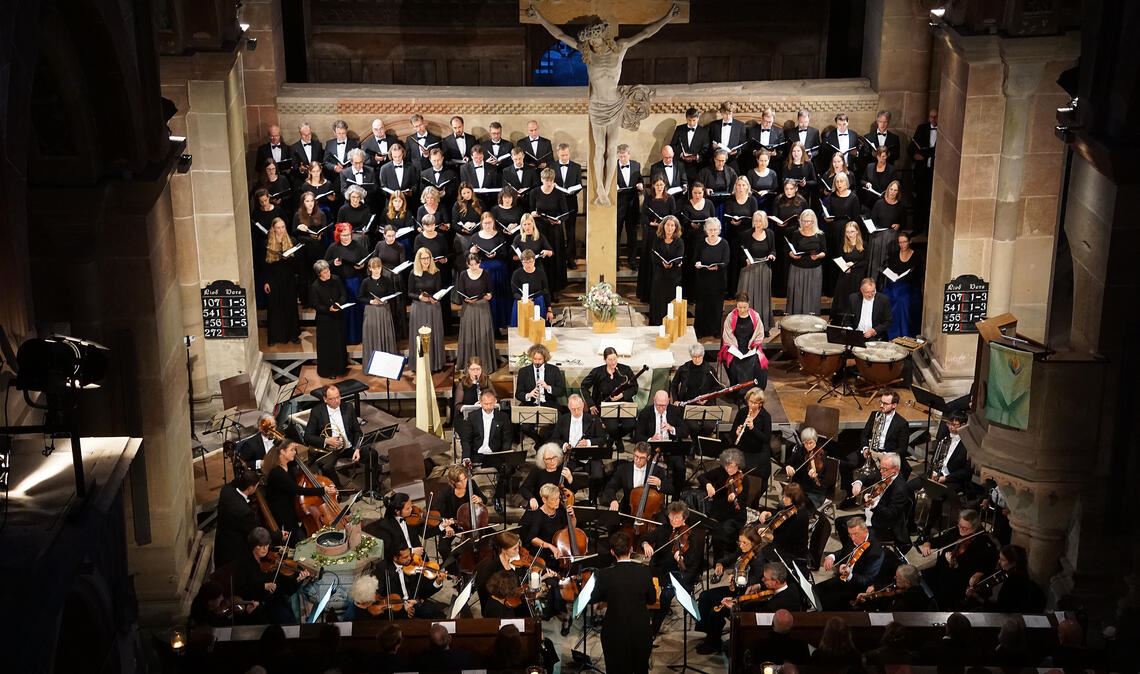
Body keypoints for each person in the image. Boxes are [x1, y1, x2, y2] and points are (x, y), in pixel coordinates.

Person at [590, 531, 657, 674]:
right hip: (641, 631)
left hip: (614, 632)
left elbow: (594, 597)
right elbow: (652, 599)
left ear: (612, 552)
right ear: (631, 549)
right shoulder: (644, 571)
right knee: (640, 669)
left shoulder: (603, 574)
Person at [694, 529, 767, 655]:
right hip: (735, 588)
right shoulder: (744, 550)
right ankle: (709, 633)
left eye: (745, 543)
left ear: (754, 543)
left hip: (745, 596)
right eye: (740, 542)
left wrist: (736, 578)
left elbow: (751, 584)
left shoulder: (758, 560)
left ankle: (714, 643)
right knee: (704, 596)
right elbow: (730, 558)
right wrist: (720, 563)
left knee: (716, 611)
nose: (741, 545)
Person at [642, 500, 706, 635]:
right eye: (671, 517)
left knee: (666, 595)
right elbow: (646, 536)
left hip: (680, 572)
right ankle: (645, 615)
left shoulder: (694, 535)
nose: (673, 520)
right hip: (660, 569)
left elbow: (694, 563)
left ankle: (652, 630)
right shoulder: (664, 529)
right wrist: (646, 544)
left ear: (685, 518)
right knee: (640, 582)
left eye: (677, 517)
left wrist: (681, 559)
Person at [920, 509, 998, 610]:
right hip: (940, 573)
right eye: (959, 525)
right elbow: (936, 541)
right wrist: (927, 545)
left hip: (958, 582)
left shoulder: (982, 543)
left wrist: (956, 565)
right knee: (920, 578)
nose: (960, 529)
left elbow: (985, 566)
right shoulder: (955, 532)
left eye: (965, 528)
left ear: (974, 528)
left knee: (940, 595)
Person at [233, 527, 313, 624]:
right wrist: (263, 586)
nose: (265, 549)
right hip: (257, 604)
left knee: (290, 621)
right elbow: (241, 590)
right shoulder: (244, 564)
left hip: (276, 600)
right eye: (261, 546)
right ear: (253, 546)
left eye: (267, 545)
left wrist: (297, 580)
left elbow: (286, 589)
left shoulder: (272, 554)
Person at [262, 441, 335, 542]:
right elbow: (297, 490)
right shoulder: (277, 473)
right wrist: (323, 490)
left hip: (291, 506)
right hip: (283, 511)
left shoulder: (289, 465)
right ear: (282, 452)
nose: (295, 452)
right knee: (295, 538)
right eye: (291, 450)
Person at [841, 452, 912, 551]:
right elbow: (867, 475)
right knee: (841, 523)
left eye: (884, 469)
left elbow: (890, 514)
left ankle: (863, 556)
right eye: (881, 468)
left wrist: (873, 504)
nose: (881, 472)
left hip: (884, 526)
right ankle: (849, 552)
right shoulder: (885, 474)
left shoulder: (900, 489)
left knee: (856, 531)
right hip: (871, 517)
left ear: (895, 469)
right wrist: (858, 483)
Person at [303, 384, 369, 488]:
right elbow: (307, 437)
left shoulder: (348, 407)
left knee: (372, 454)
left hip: (348, 447)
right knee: (326, 467)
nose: (337, 401)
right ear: (325, 399)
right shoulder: (317, 411)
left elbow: (357, 431)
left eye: (338, 397)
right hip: (331, 450)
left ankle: (371, 488)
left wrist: (357, 448)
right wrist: (326, 441)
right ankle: (338, 491)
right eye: (332, 399)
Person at [816, 517, 884, 610]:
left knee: (827, 602)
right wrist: (832, 557)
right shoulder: (854, 538)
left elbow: (867, 579)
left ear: (865, 530)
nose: (852, 538)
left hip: (857, 586)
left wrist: (850, 575)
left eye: (855, 534)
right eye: (850, 534)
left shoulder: (875, 552)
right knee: (817, 589)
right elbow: (844, 551)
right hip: (843, 578)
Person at [544, 398, 605, 501]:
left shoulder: (593, 419)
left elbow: (602, 439)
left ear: (583, 406)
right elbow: (554, 438)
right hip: (570, 456)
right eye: (573, 409)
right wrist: (564, 445)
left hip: (589, 454)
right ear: (569, 407)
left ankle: (592, 499)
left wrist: (588, 442)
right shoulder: (563, 419)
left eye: (578, 408)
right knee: (563, 473)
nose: (576, 411)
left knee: (598, 475)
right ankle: (569, 498)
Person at [581, 346, 639, 453]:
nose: (613, 362)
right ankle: (618, 440)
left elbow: (635, 387)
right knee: (611, 427)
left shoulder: (625, 370)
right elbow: (583, 386)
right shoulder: (597, 372)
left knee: (631, 424)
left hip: (624, 403)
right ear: (605, 360)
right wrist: (591, 404)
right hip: (605, 405)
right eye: (610, 360)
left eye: (615, 359)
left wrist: (622, 395)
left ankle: (614, 438)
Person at [965, 543, 1045, 613]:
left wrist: (977, 597)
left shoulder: (1014, 581)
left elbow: (1001, 608)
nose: (999, 562)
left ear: (1013, 563)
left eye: (1002, 559)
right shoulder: (1008, 571)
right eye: (999, 558)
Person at [699, 448, 750, 557]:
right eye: (727, 465)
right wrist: (708, 484)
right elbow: (702, 477)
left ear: (738, 465)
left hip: (735, 516)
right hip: (717, 512)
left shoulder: (744, 480)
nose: (729, 469)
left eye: (733, 466)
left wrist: (734, 498)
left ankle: (719, 563)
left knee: (719, 535)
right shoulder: (721, 472)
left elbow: (742, 503)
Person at [325, 222, 367, 345]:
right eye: (343, 235)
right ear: (338, 235)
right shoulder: (333, 247)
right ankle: (344, 337)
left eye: (348, 234)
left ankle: (357, 337)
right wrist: (333, 263)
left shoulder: (358, 246)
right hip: (339, 283)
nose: (346, 237)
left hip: (355, 282)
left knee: (355, 309)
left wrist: (362, 266)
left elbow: (367, 260)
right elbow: (325, 264)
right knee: (343, 311)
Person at [378, 545, 447, 619]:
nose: (410, 558)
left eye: (409, 555)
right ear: (395, 558)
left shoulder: (412, 566)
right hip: (397, 609)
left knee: (439, 613)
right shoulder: (384, 570)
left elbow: (424, 592)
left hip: (414, 602)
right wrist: (403, 606)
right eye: (405, 557)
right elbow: (381, 600)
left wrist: (438, 581)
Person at [514, 344, 564, 444]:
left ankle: (546, 441)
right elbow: (518, 394)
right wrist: (529, 395)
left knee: (559, 424)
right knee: (524, 427)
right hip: (530, 405)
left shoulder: (554, 370)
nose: (537, 362)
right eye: (535, 359)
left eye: (539, 359)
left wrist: (547, 387)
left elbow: (561, 391)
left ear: (545, 358)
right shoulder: (523, 372)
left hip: (549, 403)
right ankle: (540, 442)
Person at [601, 441, 671, 513]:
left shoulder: (656, 470)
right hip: (629, 508)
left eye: (642, 458)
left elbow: (670, 489)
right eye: (636, 456)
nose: (637, 460)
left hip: (650, 509)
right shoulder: (624, 469)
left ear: (648, 457)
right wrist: (613, 500)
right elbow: (610, 487)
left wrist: (660, 484)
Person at [529, 167, 569, 292]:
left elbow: (565, 213)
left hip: (555, 229)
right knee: (542, 257)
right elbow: (530, 210)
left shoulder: (559, 193)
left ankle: (556, 287)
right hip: (540, 229)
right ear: (542, 179)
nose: (549, 183)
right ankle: (542, 286)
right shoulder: (534, 192)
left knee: (555, 257)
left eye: (551, 180)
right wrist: (533, 213)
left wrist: (559, 220)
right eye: (546, 180)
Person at [455, 253, 497, 371]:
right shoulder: (463, 274)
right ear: (467, 264)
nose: (474, 267)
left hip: (482, 307)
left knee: (483, 335)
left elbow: (490, 292)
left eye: (476, 264)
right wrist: (465, 299)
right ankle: (469, 365)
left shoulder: (485, 274)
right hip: (468, 308)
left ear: (479, 263)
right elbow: (460, 291)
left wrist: (488, 296)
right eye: (471, 264)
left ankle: (485, 365)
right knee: (469, 335)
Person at [262, 218, 300, 346]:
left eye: (282, 227)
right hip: (273, 279)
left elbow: (297, 265)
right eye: (278, 228)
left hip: (288, 279)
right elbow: (264, 265)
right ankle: (276, 337)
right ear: (273, 229)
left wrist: (289, 258)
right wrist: (266, 281)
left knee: (290, 306)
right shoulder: (267, 243)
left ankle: (292, 335)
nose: (280, 230)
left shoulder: (292, 241)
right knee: (275, 307)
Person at [407, 246, 445, 372]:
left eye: (428, 258)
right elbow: (409, 293)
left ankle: (435, 364)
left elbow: (439, 290)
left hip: (433, 308)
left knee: (433, 335)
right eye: (423, 258)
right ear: (418, 259)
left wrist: (435, 298)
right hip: (419, 308)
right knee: (419, 336)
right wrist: (419, 297)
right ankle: (419, 364)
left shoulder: (436, 272)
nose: (425, 261)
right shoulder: (413, 273)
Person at [470, 211, 511, 331]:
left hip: (499, 271)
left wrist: (496, 254)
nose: (488, 225)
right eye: (485, 223)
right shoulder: (475, 237)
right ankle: (485, 325)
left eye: (490, 223)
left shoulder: (499, 236)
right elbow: (469, 256)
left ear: (493, 222)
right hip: (483, 271)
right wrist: (472, 251)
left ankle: (498, 325)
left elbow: (505, 254)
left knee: (498, 299)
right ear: (481, 223)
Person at [719, 292, 769, 388]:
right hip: (735, 348)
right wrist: (734, 349)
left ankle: (754, 392)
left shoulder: (755, 316)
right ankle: (739, 394)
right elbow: (727, 335)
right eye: (739, 307)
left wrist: (753, 345)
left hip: (751, 348)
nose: (742, 310)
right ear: (736, 304)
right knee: (736, 365)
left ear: (748, 304)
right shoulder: (731, 317)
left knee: (758, 365)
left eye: (744, 307)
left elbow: (759, 333)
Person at [214, 471, 262, 569]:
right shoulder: (245, 512)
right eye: (256, 486)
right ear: (250, 488)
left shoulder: (226, 490)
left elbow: (233, 482)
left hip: (221, 542)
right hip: (233, 552)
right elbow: (255, 532)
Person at [726, 386, 772, 489]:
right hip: (743, 449)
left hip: (758, 452)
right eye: (750, 401)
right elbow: (731, 434)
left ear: (760, 403)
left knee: (753, 474)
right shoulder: (742, 413)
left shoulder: (765, 416)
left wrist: (753, 428)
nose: (751, 405)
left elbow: (766, 438)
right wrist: (736, 433)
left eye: (755, 403)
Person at [308, 259, 348, 378]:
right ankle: (328, 371)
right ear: (319, 274)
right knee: (327, 346)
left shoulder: (336, 279)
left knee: (339, 343)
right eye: (324, 272)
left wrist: (339, 304)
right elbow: (315, 304)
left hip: (337, 317)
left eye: (328, 270)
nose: (328, 273)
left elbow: (343, 295)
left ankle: (340, 369)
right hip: (324, 320)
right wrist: (328, 309)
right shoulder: (315, 286)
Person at [756, 482, 812, 564]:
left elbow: (786, 539)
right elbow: (781, 514)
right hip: (784, 542)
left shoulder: (799, 516)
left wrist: (770, 537)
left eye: (785, 497)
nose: (783, 499)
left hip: (791, 551)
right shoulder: (793, 507)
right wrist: (769, 514)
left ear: (794, 498)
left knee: (761, 553)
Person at [881, 230, 923, 338]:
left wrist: (907, 276)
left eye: (904, 242)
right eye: (900, 242)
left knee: (902, 300)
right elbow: (890, 268)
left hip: (910, 286)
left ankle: (903, 332)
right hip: (895, 284)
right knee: (886, 296)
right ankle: (889, 332)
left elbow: (919, 273)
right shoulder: (895, 255)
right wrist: (893, 275)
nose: (902, 245)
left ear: (909, 242)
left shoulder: (917, 255)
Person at [738, 211, 776, 331]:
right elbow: (741, 254)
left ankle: (763, 327)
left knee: (763, 298)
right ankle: (747, 326)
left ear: (764, 222)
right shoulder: (746, 234)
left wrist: (772, 255)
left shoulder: (770, 234)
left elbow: (773, 250)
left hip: (764, 269)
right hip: (750, 269)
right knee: (748, 296)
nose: (757, 223)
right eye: (756, 220)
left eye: (760, 221)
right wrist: (746, 260)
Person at [786, 208, 827, 316]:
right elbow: (791, 251)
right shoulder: (796, 233)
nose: (806, 224)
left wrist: (818, 256)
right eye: (804, 221)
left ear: (814, 221)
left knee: (812, 295)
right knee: (798, 296)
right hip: (798, 269)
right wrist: (792, 255)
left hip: (814, 270)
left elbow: (824, 252)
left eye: (809, 221)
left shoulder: (820, 234)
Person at [770, 179, 807, 297]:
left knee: (794, 261)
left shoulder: (801, 201)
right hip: (782, 234)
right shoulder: (778, 200)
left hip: (796, 235)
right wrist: (778, 223)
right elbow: (774, 216)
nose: (789, 191)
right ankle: (781, 290)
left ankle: (794, 290)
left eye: (791, 189)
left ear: (796, 189)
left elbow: (807, 216)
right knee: (782, 262)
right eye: (786, 189)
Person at [693, 217, 730, 337]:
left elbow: (726, 261)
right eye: (710, 230)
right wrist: (698, 264)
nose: (712, 232)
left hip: (718, 279)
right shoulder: (700, 242)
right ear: (706, 230)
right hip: (703, 279)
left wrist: (718, 267)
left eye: (715, 229)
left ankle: (715, 330)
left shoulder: (724, 243)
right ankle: (700, 330)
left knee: (716, 305)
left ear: (719, 230)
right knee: (702, 305)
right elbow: (695, 259)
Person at [365, 491, 429, 561]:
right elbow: (390, 550)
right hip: (402, 562)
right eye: (407, 509)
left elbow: (425, 533)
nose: (411, 509)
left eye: (411, 505)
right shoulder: (386, 526)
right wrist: (412, 551)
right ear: (397, 511)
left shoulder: (412, 519)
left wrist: (441, 527)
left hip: (419, 559)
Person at [783, 427, 835, 508]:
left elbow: (825, 478)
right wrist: (788, 467)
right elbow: (788, 462)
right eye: (806, 443)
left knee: (802, 508)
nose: (808, 446)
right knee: (783, 505)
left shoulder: (822, 454)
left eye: (811, 442)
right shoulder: (800, 450)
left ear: (815, 441)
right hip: (799, 489)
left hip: (815, 492)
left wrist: (815, 476)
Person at [358, 256, 398, 360]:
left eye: (378, 267)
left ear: (381, 268)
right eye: (374, 268)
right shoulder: (366, 281)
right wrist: (371, 301)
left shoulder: (387, 280)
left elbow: (391, 294)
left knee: (385, 336)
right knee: (373, 336)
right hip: (371, 311)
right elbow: (360, 297)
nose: (376, 270)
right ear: (370, 268)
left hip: (384, 310)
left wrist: (385, 300)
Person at [723, 176, 759, 290]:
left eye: (743, 185)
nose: (741, 188)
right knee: (733, 263)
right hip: (733, 235)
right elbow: (726, 216)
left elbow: (755, 218)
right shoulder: (730, 200)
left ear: (747, 186)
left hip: (748, 236)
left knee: (745, 262)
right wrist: (732, 221)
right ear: (735, 186)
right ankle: (732, 290)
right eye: (739, 185)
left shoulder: (752, 200)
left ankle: (746, 289)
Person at [459, 388, 513, 463]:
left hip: (495, 454)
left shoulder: (503, 417)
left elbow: (507, 439)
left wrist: (504, 456)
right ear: (480, 402)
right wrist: (466, 457)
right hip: (476, 454)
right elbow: (466, 440)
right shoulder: (472, 417)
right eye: (485, 404)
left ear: (495, 402)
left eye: (491, 403)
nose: (488, 406)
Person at [648, 215, 685, 325]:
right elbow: (654, 256)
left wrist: (672, 263)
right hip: (659, 275)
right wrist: (662, 263)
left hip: (673, 276)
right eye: (668, 225)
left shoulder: (679, 241)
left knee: (671, 300)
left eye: (672, 225)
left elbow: (680, 257)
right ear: (663, 226)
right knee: (658, 300)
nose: (670, 228)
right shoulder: (657, 240)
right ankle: (657, 322)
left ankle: (670, 324)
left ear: (676, 227)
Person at [678, 182, 716, 287]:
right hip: (691, 241)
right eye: (695, 193)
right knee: (691, 265)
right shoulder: (686, 205)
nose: (697, 195)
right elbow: (683, 223)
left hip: (706, 241)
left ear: (703, 192)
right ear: (691, 193)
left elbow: (714, 220)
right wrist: (690, 224)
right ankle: (691, 293)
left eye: (700, 193)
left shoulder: (709, 204)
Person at [519, 443, 576, 511]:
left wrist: (570, 479)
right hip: (540, 507)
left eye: (554, 457)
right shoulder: (537, 470)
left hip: (558, 508)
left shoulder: (563, 469)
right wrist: (531, 498)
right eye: (548, 459)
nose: (552, 461)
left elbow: (573, 491)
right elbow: (524, 488)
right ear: (543, 459)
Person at [552, 143, 583, 267]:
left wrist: (572, 190)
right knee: (557, 231)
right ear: (558, 154)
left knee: (571, 231)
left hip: (571, 201)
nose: (564, 157)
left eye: (566, 155)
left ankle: (571, 259)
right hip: (556, 203)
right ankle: (558, 258)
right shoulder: (552, 166)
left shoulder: (576, 167)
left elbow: (579, 184)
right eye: (562, 155)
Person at [867, 179, 903, 282]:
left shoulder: (900, 206)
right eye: (891, 189)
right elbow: (873, 220)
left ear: (898, 192)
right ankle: (873, 282)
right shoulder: (879, 203)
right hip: (878, 236)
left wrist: (898, 225)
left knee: (887, 261)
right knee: (876, 261)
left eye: (895, 190)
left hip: (891, 237)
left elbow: (903, 222)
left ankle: (885, 283)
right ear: (887, 190)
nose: (892, 192)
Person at [832, 221, 867, 323]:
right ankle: (842, 321)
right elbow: (841, 258)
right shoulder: (844, 244)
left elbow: (866, 261)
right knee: (843, 298)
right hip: (845, 274)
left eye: (852, 231)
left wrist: (854, 265)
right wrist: (844, 265)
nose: (849, 234)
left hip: (858, 276)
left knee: (855, 298)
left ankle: (854, 320)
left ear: (857, 232)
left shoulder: (864, 244)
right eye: (847, 232)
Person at [510, 250, 554, 329]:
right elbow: (514, 292)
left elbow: (546, 291)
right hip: (522, 302)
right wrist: (522, 298)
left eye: (530, 261)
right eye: (525, 262)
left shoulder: (540, 273)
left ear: (534, 261)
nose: (528, 264)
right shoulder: (517, 273)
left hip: (538, 302)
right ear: (522, 262)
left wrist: (549, 310)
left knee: (537, 328)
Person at [671, 107, 711, 182]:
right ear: (686, 118)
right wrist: (681, 154)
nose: (692, 123)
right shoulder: (680, 129)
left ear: (698, 118)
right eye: (689, 120)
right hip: (681, 166)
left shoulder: (704, 131)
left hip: (697, 167)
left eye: (694, 120)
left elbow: (706, 148)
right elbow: (673, 145)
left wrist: (697, 156)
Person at [848, 276, 893, 341]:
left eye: (873, 291)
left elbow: (888, 321)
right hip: (856, 335)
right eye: (867, 292)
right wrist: (850, 330)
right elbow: (848, 318)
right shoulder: (853, 298)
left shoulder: (883, 300)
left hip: (876, 338)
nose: (870, 295)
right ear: (861, 290)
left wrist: (875, 330)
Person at [708, 101, 748, 172]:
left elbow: (743, 144)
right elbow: (708, 142)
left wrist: (737, 151)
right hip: (717, 162)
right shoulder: (714, 125)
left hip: (733, 161)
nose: (728, 116)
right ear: (721, 113)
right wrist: (713, 146)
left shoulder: (740, 125)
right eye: (725, 114)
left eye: (730, 114)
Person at [378, 142, 420, 207]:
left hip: (407, 202)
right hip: (391, 204)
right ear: (391, 155)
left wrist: (410, 192)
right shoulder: (384, 168)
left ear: (403, 154)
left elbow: (415, 185)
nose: (397, 159)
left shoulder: (410, 167)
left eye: (399, 156)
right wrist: (394, 195)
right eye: (395, 157)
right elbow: (383, 187)